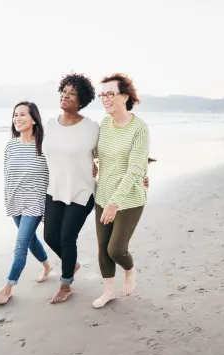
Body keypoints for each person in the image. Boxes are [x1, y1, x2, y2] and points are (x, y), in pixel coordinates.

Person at [92, 73, 149, 309]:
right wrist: (91, 164)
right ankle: (108, 292)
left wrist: (115, 203)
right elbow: (97, 153)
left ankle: (130, 270)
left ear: (125, 96)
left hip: (129, 198)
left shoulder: (139, 128)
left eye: (110, 93)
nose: (105, 98)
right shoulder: (104, 123)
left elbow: (134, 168)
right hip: (103, 194)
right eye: (102, 94)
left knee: (116, 249)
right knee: (102, 248)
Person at [42, 73, 99, 304]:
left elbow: (108, 154)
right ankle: (71, 263)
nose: (65, 96)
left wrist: (98, 165)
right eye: (64, 92)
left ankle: (66, 285)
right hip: (55, 189)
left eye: (72, 93)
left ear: (82, 100)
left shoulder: (92, 128)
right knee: (49, 236)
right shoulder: (49, 124)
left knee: (67, 237)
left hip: (81, 190)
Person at [0, 102, 51, 305]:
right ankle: (47, 265)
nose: (17, 118)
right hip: (15, 200)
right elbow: (7, 175)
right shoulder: (10, 145)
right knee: (30, 239)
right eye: (15, 115)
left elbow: (60, 169)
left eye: (22, 114)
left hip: (35, 202)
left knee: (20, 245)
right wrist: (7, 199)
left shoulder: (44, 145)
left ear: (34, 118)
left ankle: (8, 287)